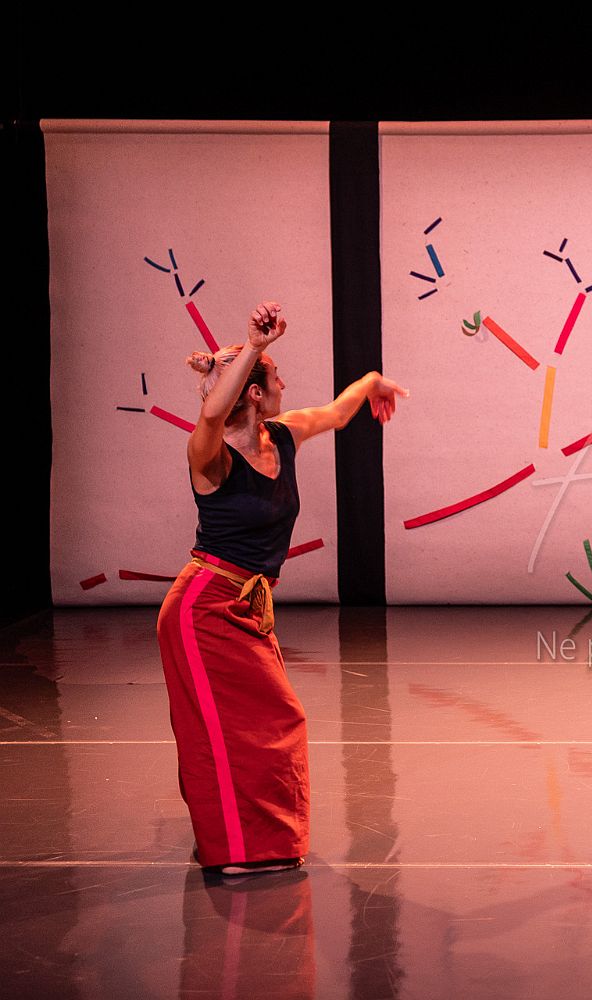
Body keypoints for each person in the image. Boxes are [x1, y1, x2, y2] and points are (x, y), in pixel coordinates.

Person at [156, 301, 408, 875]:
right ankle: (237, 851)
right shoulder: (209, 456)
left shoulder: (283, 436)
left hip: (246, 606)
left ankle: (246, 842)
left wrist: (372, 381)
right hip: (202, 610)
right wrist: (255, 347)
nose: (284, 386)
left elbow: (337, 413)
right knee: (232, 730)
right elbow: (210, 417)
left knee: (268, 723)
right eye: (275, 378)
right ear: (252, 391)